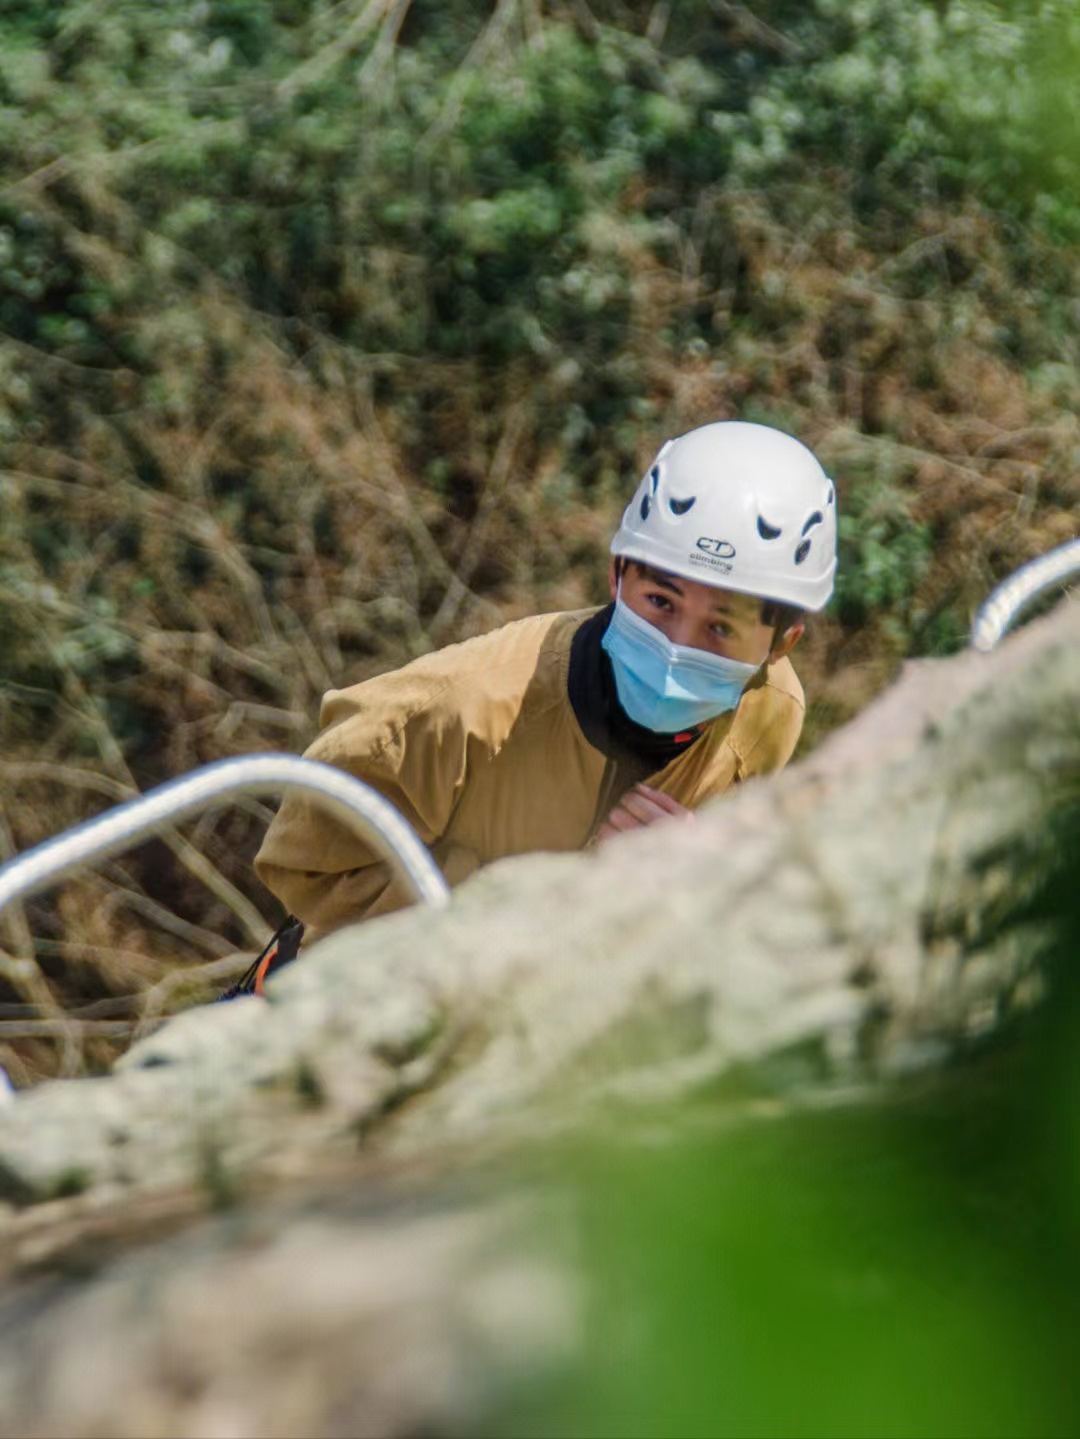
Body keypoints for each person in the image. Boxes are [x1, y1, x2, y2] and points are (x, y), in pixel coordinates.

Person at [253, 420, 837, 944]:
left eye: (721, 627)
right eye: (660, 600)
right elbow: (302, 865)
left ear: (782, 642)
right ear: (616, 576)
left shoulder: (769, 718)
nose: (677, 646)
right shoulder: (455, 711)